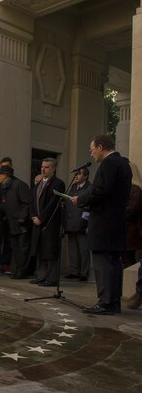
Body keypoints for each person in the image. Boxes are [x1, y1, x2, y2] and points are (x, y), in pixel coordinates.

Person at [73, 134, 132, 315]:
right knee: (113, 264)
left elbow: (100, 192)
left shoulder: (108, 164)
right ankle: (113, 303)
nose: (92, 154)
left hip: (104, 222)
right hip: (116, 221)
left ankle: (105, 303)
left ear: (100, 147)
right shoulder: (124, 164)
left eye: (92, 150)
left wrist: (81, 200)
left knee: (103, 264)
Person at [0, 166, 31, 279]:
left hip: (21, 224)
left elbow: (27, 203)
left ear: (6, 175)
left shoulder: (19, 185)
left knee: (23, 248)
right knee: (16, 248)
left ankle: (23, 271)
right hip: (12, 223)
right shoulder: (5, 187)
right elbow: (6, 205)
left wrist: (22, 218)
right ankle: (18, 270)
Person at [29, 158, 65, 287]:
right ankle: (41, 276)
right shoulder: (38, 183)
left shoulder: (58, 183)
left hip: (50, 223)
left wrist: (41, 218)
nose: (43, 169)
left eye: (47, 167)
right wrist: (33, 216)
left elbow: (53, 203)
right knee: (40, 250)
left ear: (54, 169)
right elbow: (32, 201)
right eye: (42, 167)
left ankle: (51, 278)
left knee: (50, 251)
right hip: (37, 222)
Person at [63, 167, 92, 281]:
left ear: (85, 176)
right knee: (72, 249)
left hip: (82, 222)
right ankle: (74, 271)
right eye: (76, 174)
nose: (76, 176)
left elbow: (89, 206)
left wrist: (86, 223)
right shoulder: (73, 187)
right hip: (70, 222)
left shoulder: (89, 188)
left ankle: (84, 272)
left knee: (84, 250)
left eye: (79, 174)